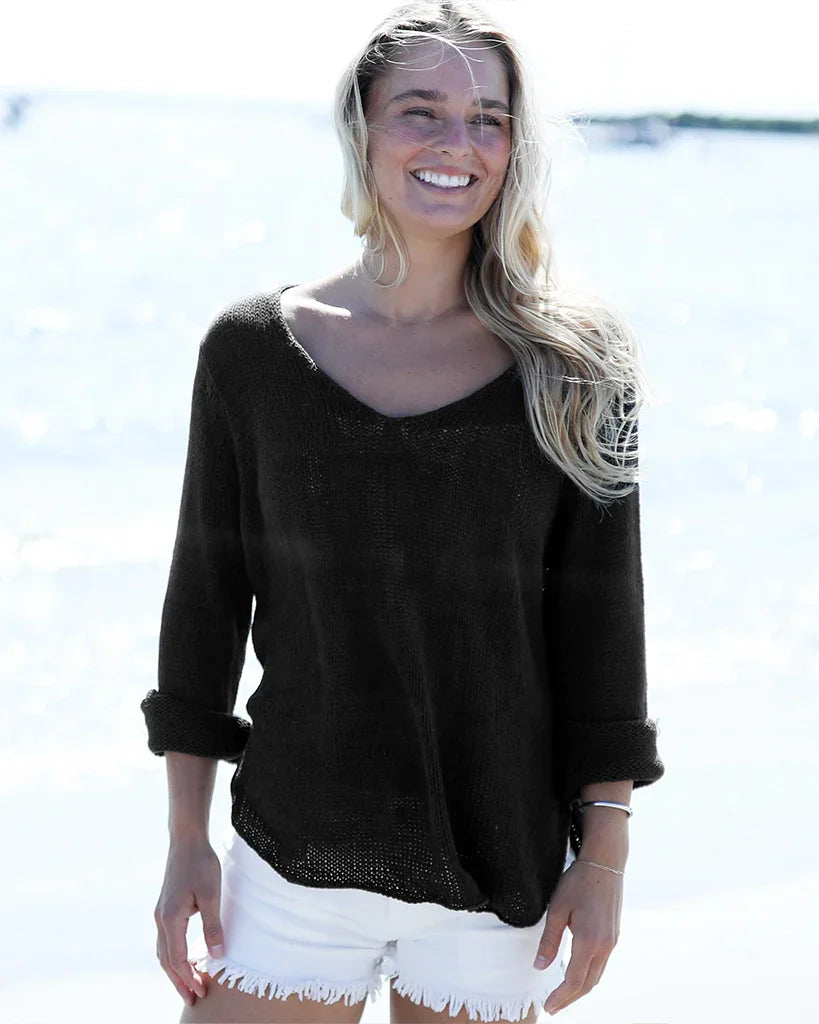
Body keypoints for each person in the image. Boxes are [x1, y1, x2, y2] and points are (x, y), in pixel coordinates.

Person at [140, 2, 665, 1022]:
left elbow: (604, 631)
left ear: (514, 146)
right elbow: (203, 609)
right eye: (420, 110)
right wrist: (185, 841)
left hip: (500, 876)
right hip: (292, 856)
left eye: (488, 119)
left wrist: (604, 858)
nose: (456, 143)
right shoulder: (253, 353)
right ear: (362, 127)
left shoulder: (574, 366)